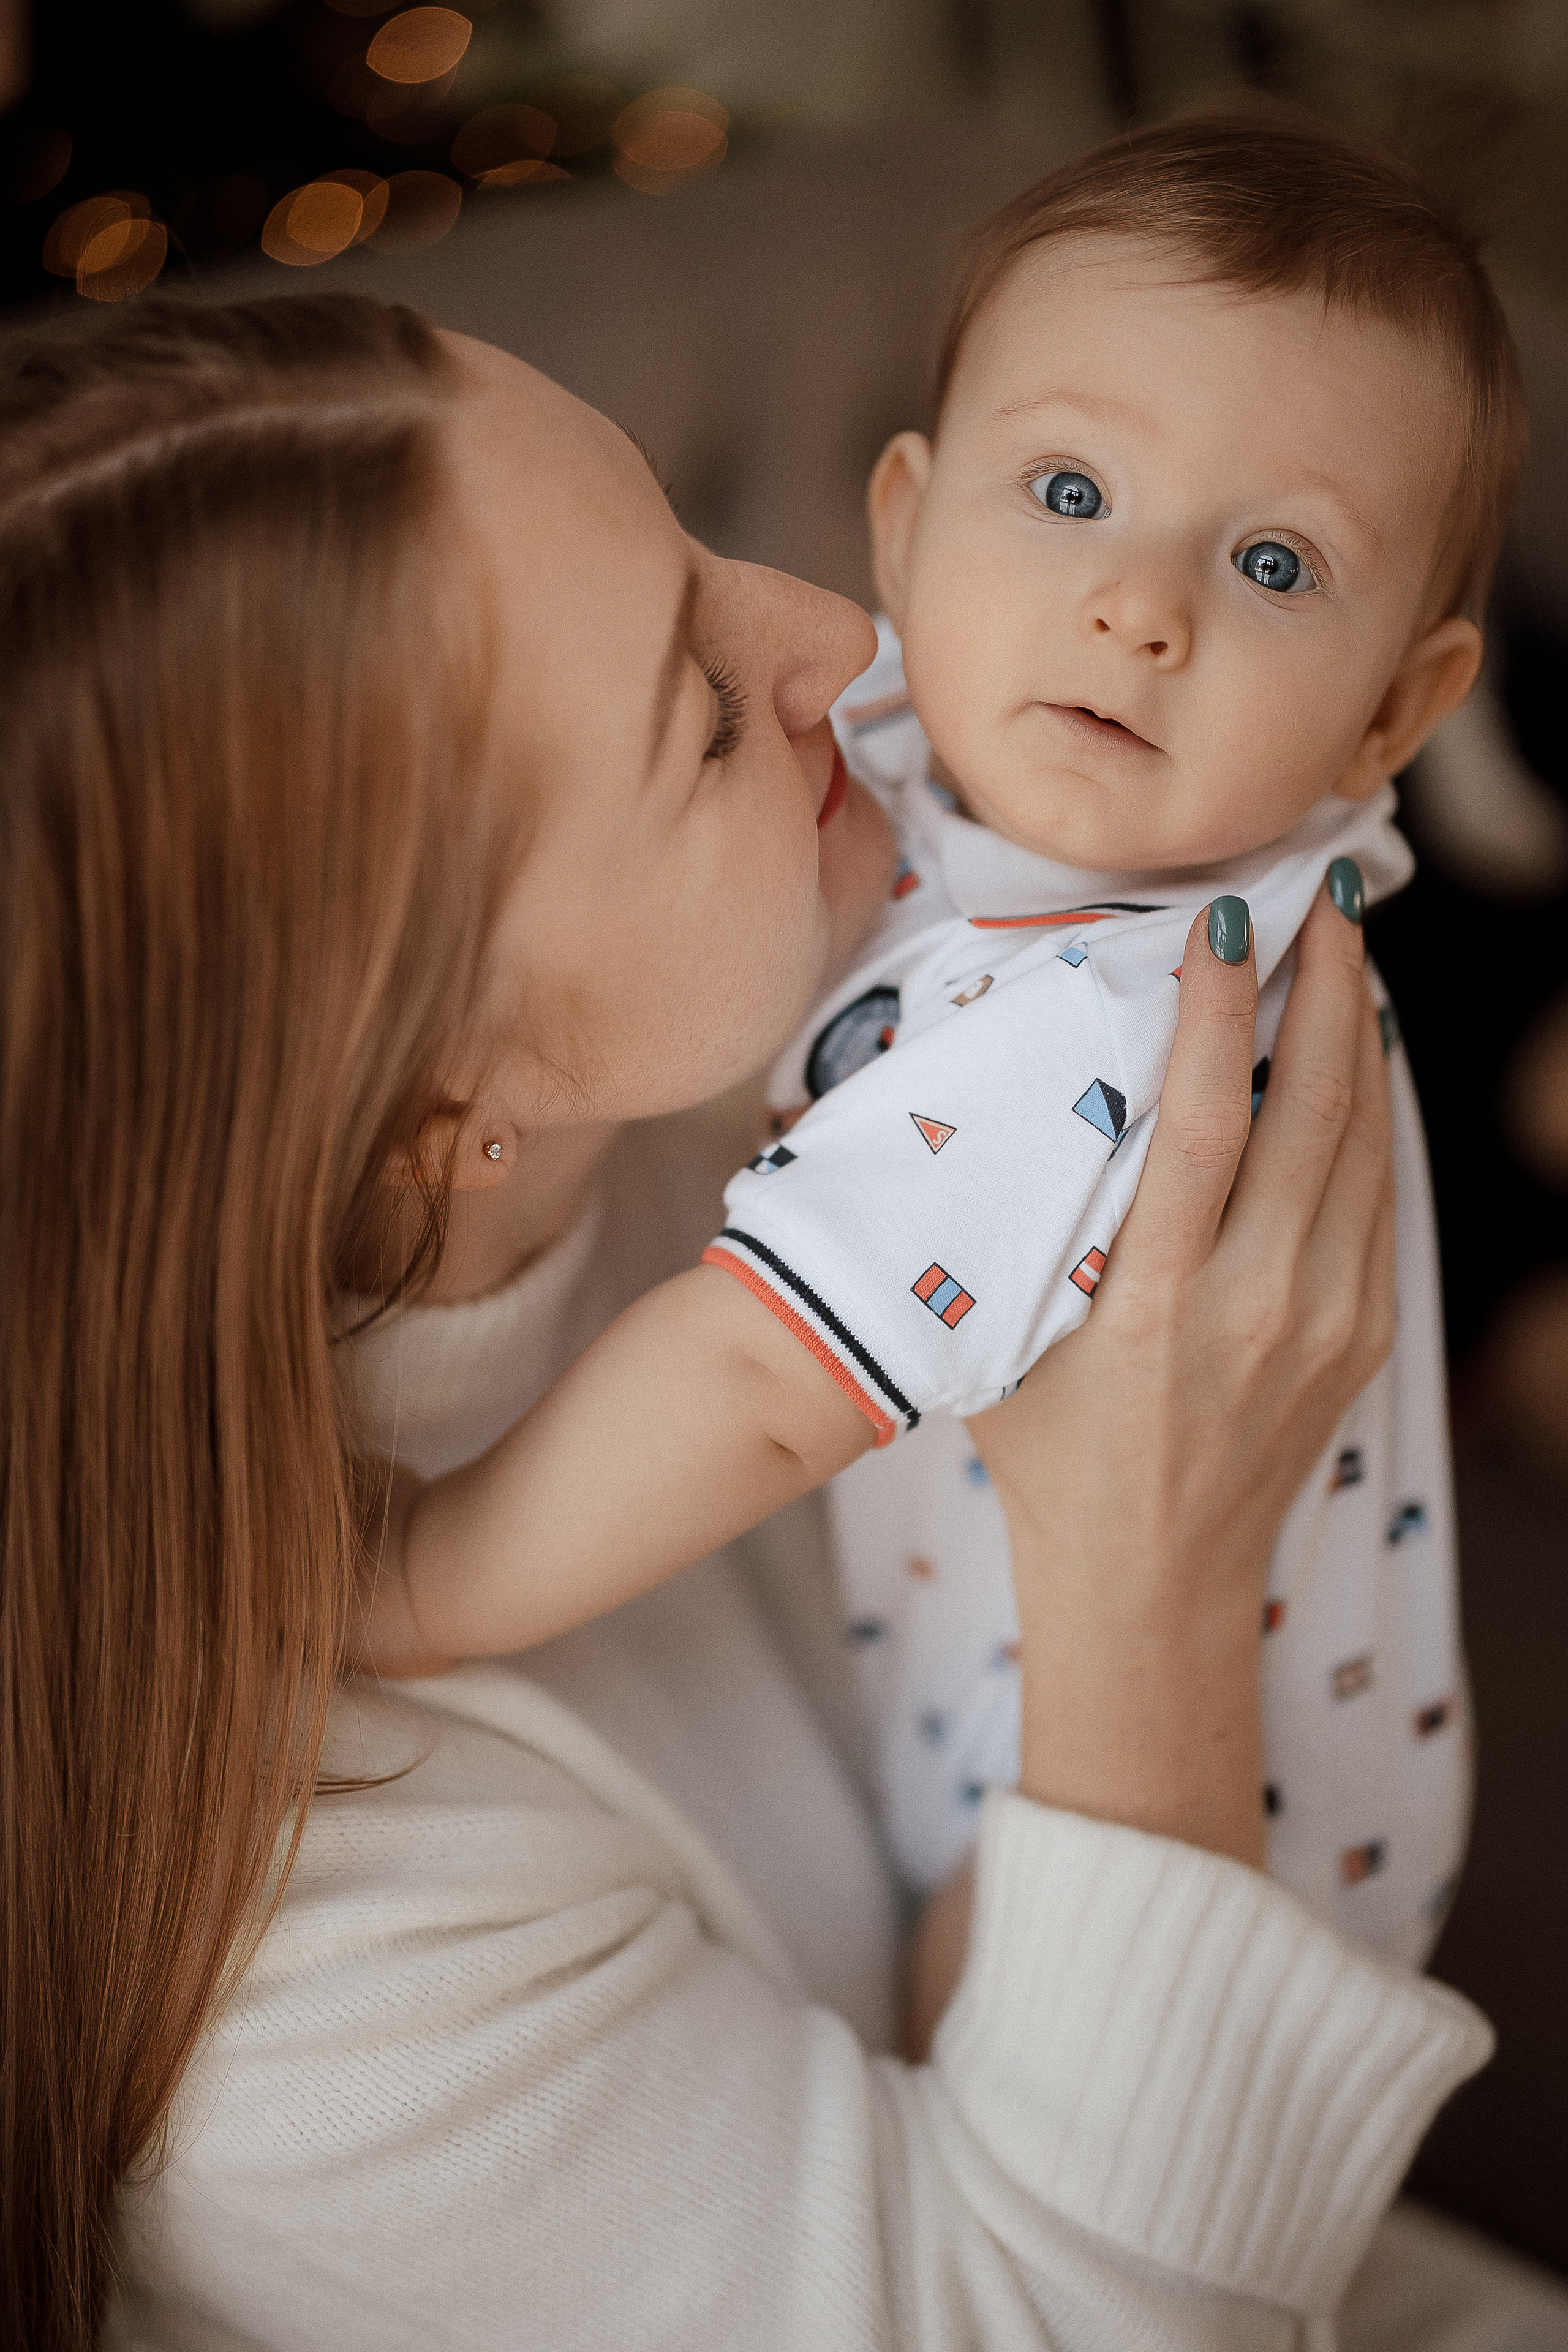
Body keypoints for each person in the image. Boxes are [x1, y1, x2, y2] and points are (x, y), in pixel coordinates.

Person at [0, 288, 1514, 2352]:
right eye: (702, 711)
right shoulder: (277, 2000)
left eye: (693, 552)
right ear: (440, 1098)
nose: (841, 638)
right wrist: (1153, 1574)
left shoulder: (764, 1012)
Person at [353, 112, 1510, 1973]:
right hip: (973, 1655)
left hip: (1185, 1800)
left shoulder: (1131, 1000)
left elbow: (754, 1377)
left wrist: (413, 1580)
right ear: (904, 523)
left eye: (1278, 566)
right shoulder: (926, 742)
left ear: (1393, 711)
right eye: (1070, 495)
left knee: (1000, 2055)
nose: (1141, 607)